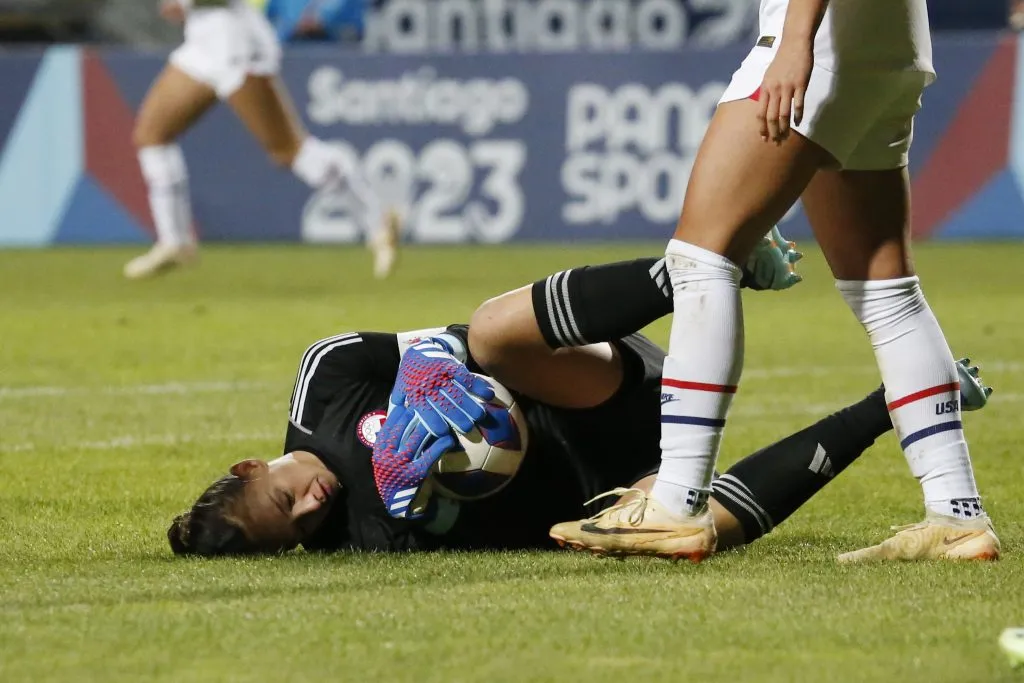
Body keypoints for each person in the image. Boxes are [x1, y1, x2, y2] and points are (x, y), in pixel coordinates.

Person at [545, 0, 1003, 562]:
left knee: (700, 259)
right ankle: (957, 516)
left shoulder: (803, 44)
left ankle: (676, 502)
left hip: (822, 41)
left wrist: (794, 42)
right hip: (894, 42)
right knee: (888, 293)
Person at [166, 254, 993, 558]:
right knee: (685, 536)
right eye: (301, 526)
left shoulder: (326, 378)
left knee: (487, 332)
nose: (315, 506)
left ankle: (714, 262)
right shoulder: (365, 533)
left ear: (252, 465)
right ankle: (904, 397)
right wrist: (431, 505)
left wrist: (434, 373)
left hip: (589, 384)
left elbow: (446, 340)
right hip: (610, 481)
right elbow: (495, 494)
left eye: (287, 496)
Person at [125, 0, 397, 280]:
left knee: (290, 150)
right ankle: (175, 241)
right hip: (203, 42)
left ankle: (377, 220)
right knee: (152, 135)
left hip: (237, 43)